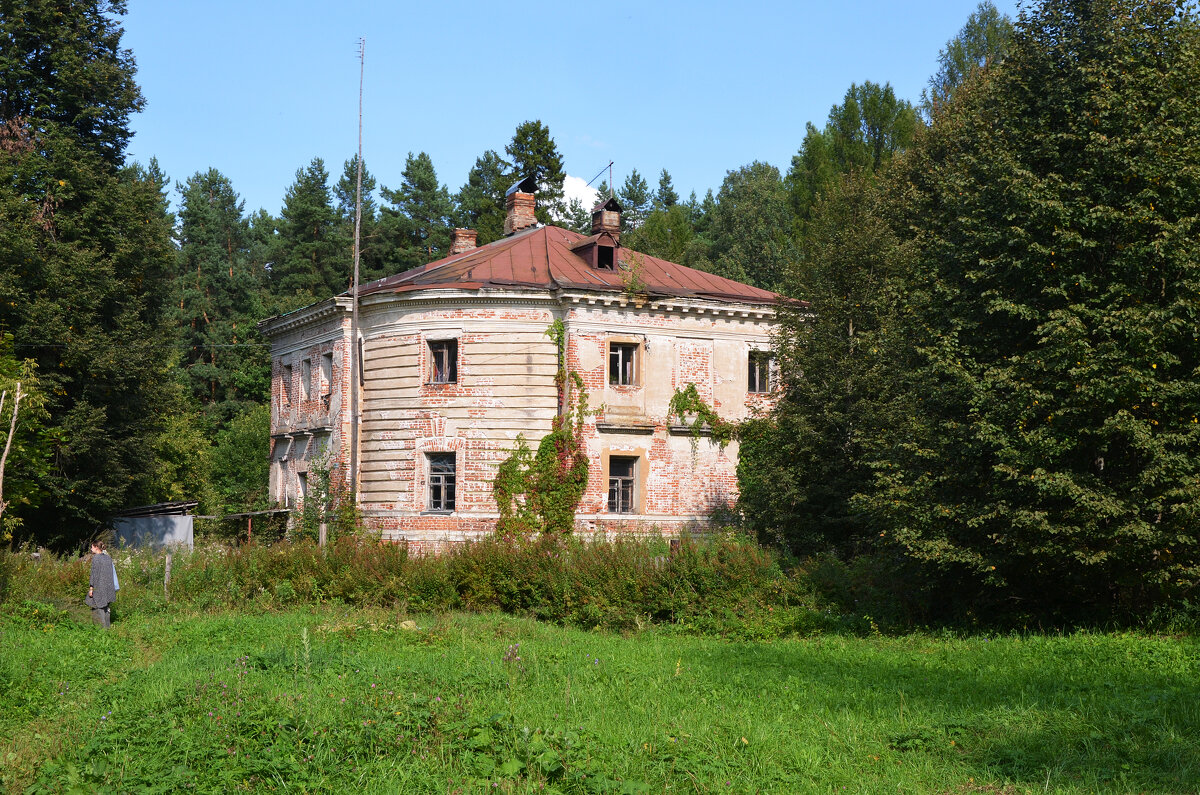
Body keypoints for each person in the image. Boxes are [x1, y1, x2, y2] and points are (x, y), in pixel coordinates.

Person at [85, 539, 116, 628]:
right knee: (106, 607)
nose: (91, 549)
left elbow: (94, 575)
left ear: (96, 547)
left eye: (92, 547)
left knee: (96, 605)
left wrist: (91, 589)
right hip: (109, 587)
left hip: (99, 586)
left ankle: (100, 629)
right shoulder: (108, 558)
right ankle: (107, 628)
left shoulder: (96, 558)